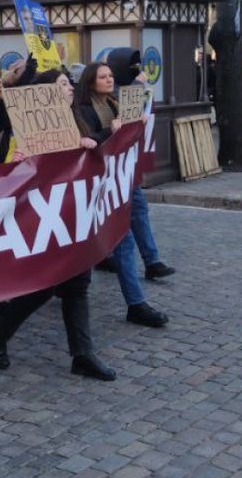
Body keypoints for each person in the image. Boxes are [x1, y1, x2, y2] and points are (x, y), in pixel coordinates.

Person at [0, 68, 115, 381]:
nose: (69, 89)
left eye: (69, 84)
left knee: (78, 285)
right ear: (44, 93)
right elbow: (11, 176)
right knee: (44, 287)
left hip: (74, 214)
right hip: (45, 218)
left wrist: (100, 139)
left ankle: (82, 355)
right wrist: (18, 161)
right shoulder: (29, 128)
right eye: (62, 84)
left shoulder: (78, 120)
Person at [73, 61, 169, 328]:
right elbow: (90, 141)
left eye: (111, 75)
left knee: (133, 223)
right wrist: (112, 130)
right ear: (90, 82)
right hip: (102, 184)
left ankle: (143, 283)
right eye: (102, 77)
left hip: (122, 177)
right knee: (121, 241)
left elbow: (124, 132)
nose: (109, 80)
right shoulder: (84, 110)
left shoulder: (114, 102)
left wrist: (136, 124)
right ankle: (135, 304)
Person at [99, 48, 176, 281]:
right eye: (103, 76)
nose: (108, 79)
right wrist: (137, 86)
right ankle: (106, 257)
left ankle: (152, 261)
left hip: (126, 167)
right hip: (108, 170)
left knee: (139, 211)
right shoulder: (106, 95)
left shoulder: (127, 87)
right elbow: (122, 106)